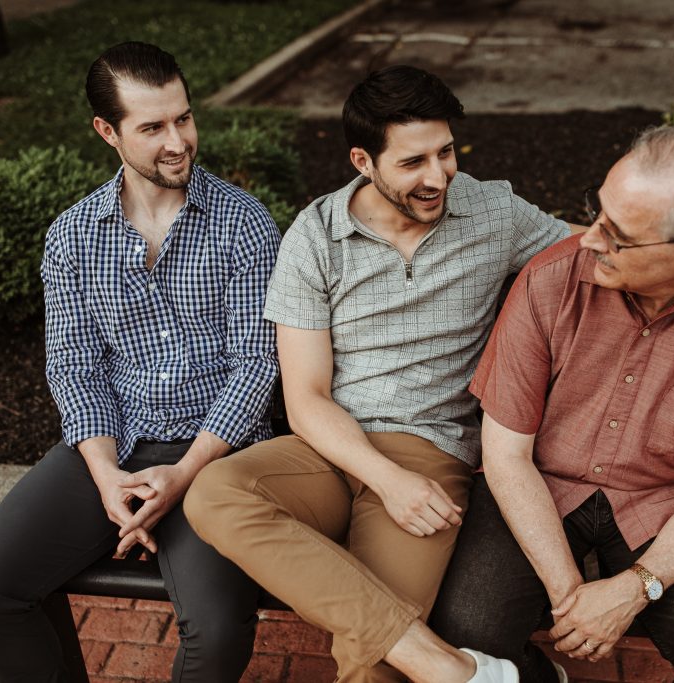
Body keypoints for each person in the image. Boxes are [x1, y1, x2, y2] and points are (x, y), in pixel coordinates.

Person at [184, 65, 571, 682]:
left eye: (445, 152)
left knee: (372, 671)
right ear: (364, 160)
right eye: (413, 162)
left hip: (428, 454)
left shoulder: (491, 211)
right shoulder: (315, 237)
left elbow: (589, 248)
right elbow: (305, 397)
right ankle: (452, 669)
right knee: (214, 492)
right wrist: (384, 480)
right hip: (331, 447)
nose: (439, 176)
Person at [0, 42, 281, 682]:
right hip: (115, 443)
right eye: (152, 127)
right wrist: (106, 476)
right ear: (108, 131)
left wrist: (182, 474)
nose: (178, 140)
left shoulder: (243, 224)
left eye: (183, 118)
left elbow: (257, 366)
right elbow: (76, 366)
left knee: (216, 632)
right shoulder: (73, 235)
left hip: (217, 453)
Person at [430, 124, 674, 682]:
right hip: (539, 485)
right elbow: (506, 456)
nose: (589, 239)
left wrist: (633, 589)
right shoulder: (549, 281)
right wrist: (572, 599)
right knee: (466, 635)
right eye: (595, 212)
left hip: (666, 509)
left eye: (617, 236)